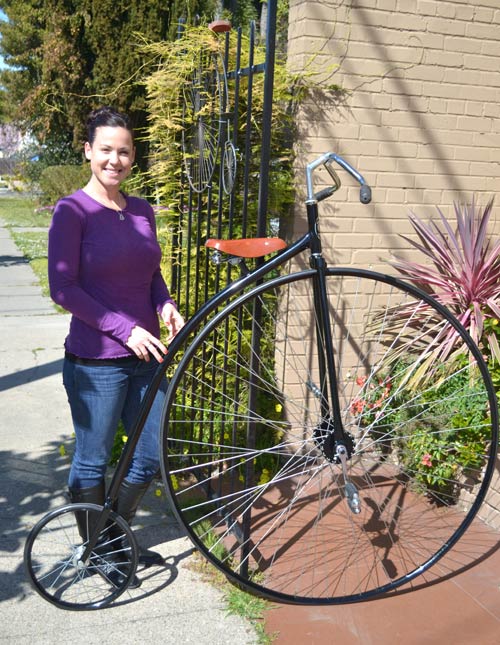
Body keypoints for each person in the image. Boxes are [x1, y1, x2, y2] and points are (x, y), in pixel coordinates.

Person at [48, 106, 184, 585]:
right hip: (95, 362)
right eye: (106, 149)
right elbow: (63, 289)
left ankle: (110, 534)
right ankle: (100, 548)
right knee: (92, 459)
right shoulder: (73, 211)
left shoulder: (142, 209)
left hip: (147, 360)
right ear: (88, 152)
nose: (115, 159)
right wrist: (125, 328)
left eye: (124, 151)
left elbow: (150, 274)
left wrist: (165, 304)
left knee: (147, 459)